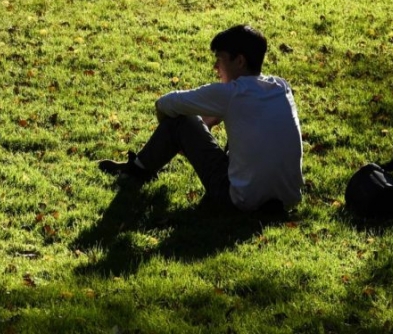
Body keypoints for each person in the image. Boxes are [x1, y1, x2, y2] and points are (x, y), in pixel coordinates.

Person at [97, 24, 304, 213]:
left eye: (220, 60)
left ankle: (138, 170)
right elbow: (246, 112)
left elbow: (164, 104)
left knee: (179, 119)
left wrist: (175, 135)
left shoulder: (231, 94)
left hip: (241, 202)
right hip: (288, 199)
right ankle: (145, 163)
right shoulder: (280, 86)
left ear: (239, 61)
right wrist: (208, 123)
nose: (216, 68)